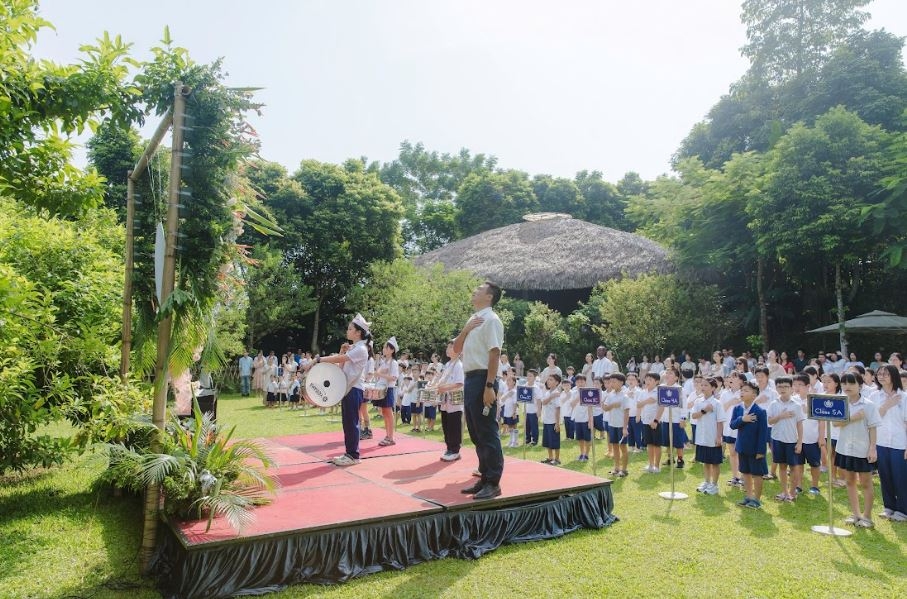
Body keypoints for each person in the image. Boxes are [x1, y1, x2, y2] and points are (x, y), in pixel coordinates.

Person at [453, 281, 505, 501]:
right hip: (470, 378)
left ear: (489, 297)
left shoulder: (492, 320)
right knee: (475, 431)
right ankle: (484, 477)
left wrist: (489, 386)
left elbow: (494, 353)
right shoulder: (473, 320)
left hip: (484, 377)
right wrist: (465, 329)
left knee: (487, 430)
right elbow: (456, 349)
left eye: (479, 290)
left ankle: (493, 482)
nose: (474, 291)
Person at [304, 313, 371, 466]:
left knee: (352, 422)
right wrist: (342, 352)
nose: (347, 331)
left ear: (358, 332)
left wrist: (318, 359)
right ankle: (349, 453)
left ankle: (353, 455)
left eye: (350, 329)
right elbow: (341, 367)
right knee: (347, 423)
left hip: (354, 389)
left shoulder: (361, 349)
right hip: (347, 389)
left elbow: (339, 360)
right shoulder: (354, 348)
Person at [834, 372, 882, 528]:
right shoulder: (840, 403)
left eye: (851, 383)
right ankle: (856, 514)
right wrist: (853, 418)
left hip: (863, 449)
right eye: (844, 383)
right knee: (850, 481)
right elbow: (836, 423)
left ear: (860, 385)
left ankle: (867, 517)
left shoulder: (868, 405)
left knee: (866, 483)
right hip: (845, 448)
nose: (847, 386)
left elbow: (873, 427)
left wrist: (872, 448)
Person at [870, 364, 907, 522]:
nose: (881, 376)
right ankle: (889, 507)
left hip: (900, 443)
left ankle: (903, 510)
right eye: (879, 374)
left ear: (893, 376)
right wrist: (887, 405)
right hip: (881, 441)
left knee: (901, 476)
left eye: (885, 374)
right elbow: (872, 419)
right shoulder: (874, 396)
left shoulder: (904, 397)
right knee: (885, 475)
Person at [731, 380, 769, 509]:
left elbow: (763, 433)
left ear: (754, 395)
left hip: (755, 449)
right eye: (741, 390)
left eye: (746, 390)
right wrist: (742, 419)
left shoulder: (760, 411)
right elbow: (732, 425)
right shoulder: (737, 408)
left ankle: (756, 500)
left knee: (757, 474)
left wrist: (761, 451)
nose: (742, 392)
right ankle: (748, 497)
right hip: (742, 447)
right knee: (745, 472)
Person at [767, 376, 805, 502]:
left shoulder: (796, 405)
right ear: (776, 388)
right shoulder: (773, 404)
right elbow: (770, 421)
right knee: (782, 466)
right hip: (777, 439)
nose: (782, 389)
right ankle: (784, 491)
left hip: (791, 440)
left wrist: (800, 442)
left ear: (791, 388)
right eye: (780, 387)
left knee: (794, 467)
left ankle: (792, 492)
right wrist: (781, 416)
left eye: (786, 386)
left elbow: (800, 424)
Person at [691, 377, 726, 496]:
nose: (703, 387)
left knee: (715, 462)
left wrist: (719, 437)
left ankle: (714, 485)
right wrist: (704, 411)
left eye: (706, 385)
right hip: (702, 437)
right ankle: (707, 482)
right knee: (705, 461)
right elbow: (694, 416)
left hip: (713, 437)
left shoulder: (717, 403)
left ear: (713, 388)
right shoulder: (698, 401)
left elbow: (720, 421)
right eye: (702, 385)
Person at [437, 340, 465, 461]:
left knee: (454, 425)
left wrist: (444, 388)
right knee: (446, 424)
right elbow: (443, 380)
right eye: (448, 347)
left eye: (451, 347)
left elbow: (459, 383)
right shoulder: (448, 364)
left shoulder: (459, 365)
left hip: (454, 400)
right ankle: (449, 448)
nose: (447, 349)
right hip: (445, 400)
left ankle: (455, 450)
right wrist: (437, 386)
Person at [372, 337, 400, 446]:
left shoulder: (394, 363)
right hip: (382, 388)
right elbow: (376, 373)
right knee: (384, 412)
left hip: (388, 389)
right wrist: (380, 372)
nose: (384, 349)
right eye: (384, 347)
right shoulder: (384, 362)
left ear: (392, 350)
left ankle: (391, 437)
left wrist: (381, 374)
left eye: (386, 348)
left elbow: (393, 378)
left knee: (388, 412)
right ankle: (387, 435)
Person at [604, 373, 630, 476]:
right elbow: (605, 408)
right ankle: (616, 468)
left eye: (614, 381)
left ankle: (624, 470)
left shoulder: (624, 396)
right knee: (614, 446)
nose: (611, 384)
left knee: (623, 447)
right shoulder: (610, 394)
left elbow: (627, 412)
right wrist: (613, 405)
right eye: (610, 381)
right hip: (612, 424)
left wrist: (625, 428)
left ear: (621, 382)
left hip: (621, 426)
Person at [639, 372, 662, 472]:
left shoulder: (658, 392)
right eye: (646, 379)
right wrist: (647, 401)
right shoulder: (643, 392)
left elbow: (661, 407)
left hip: (656, 422)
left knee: (657, 444)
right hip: (645, 421)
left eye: (650, 380)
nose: (647, 381)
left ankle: (657, 466)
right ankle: (651, 464)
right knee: (649, 444)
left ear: (657, 382)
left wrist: (656, 420)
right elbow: (638, 405)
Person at [540, 373, 562, 465]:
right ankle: (550, 457)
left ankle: (557, 459)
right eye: (548, 379)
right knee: (547, 440)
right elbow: (543, 402)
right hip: (546, 420)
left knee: (555, 440)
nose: (548, 381)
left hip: (553, 421)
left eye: (551, 380)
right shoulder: (548, 393)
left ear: (557, 382)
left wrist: (557, 423)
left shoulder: (557, 394)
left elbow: (558, 409)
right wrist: (551, 396)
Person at [523, 369, 542, 446]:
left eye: (530, 376)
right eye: (527, 376)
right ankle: (527, 439)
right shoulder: (524, 386)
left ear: (534, 377)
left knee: (534, 426)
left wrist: (539, 410)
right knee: (527, 426)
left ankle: (534, 440)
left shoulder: (536, 387)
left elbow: (539, 400)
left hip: (534, 410)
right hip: (526, 410)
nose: (528, 377)